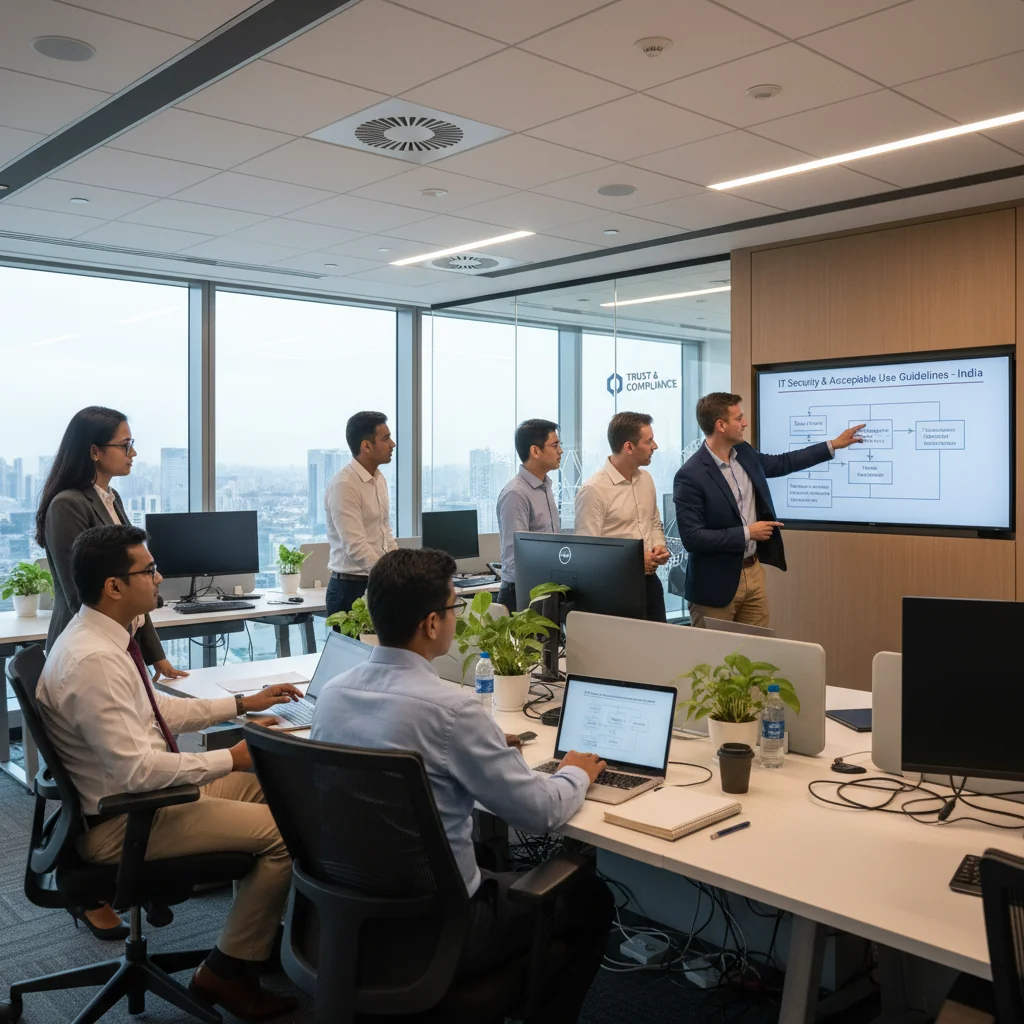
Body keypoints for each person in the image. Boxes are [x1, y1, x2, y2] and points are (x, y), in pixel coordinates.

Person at [310, 548, 614, 1024]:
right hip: (442, 932)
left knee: (492, 861)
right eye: (454, 607)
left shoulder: (333, 694)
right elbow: (540, 814)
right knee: (590, 898)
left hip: (349, 920)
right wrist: (576, 770)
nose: (456, 618)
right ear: (432, 624)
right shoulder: (453, 710)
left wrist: (482, 746)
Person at [36, 524, 304, 1021]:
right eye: (149, 570)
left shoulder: (99, 634)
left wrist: (242, 703)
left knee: (277, 791)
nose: (160, 578)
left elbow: (153, 711)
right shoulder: (92, 659)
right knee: (285, 835)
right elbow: (139, 772)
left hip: (135, 798)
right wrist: (232, 757)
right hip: (127, 819)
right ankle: (225, 971)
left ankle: (256, 938)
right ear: (114, 586)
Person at [34, 405, 188, 939]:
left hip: (121, 640)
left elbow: (135, 592)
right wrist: (137, 648)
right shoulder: (65, 506)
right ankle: (92, 880)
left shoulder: (111, 497)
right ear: (94, 450)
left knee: (123, 748)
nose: (133, 453)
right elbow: (97, 593)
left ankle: (131, 866)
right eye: (125, 445)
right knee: (99, 764)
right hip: (89, 645)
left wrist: (157, 654)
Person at [674, 392, 864, 628]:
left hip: (753, 573)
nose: (744, 423)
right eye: (739, 418)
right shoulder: (690, 475)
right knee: (713, 660)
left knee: (757, 656)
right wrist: (747, 533)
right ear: (720, 425)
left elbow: (784, 462)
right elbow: (692, 538)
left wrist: (832, 445)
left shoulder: (744, 453)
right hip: (714, 585)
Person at [574, 411, 671, 622]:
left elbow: (653, 521)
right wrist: (635, 561)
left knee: (660, 649)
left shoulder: (646, 479)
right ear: (629, 447)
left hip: (650, 584)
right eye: (649, 441)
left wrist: (658, 545)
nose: (655, 446)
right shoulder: (594, 490)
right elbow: (586, 551)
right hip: (614, 590)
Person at [324, 410, 398, 617]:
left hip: (377, 583)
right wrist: (389, 577)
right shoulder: (345, 485)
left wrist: (399, 569)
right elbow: (355, 546)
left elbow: (384, 532)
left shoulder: (378, 479)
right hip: (350, 589)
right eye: (385, 438)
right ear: (366, 446)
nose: (393, 444)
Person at [495, 418, 562, 611]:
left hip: (546, 591)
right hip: (522, 595)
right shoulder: (516, 493)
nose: (561, 451)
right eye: (555, 445)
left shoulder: (545, 487)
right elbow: (514, 559)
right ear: (535, 451)